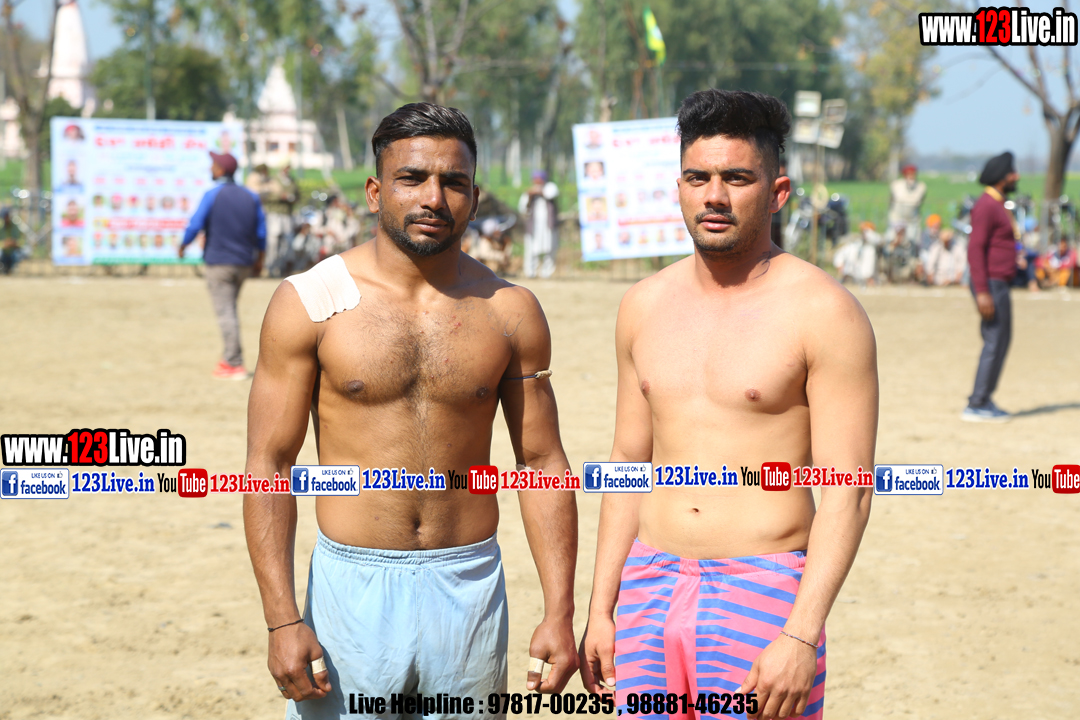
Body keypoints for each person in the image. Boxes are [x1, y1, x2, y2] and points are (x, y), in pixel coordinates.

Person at [243, 102, 579, 720]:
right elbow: (268, 465)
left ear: (473, 197)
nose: (433, 197)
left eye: (454, 182)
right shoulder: (310, 301)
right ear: (376, 191)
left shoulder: (510, 310)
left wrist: (560, 609)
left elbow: (541, 463)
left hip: (468, 584)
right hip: (352, 587)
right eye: (412, 178)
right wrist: (282, 618)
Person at [578, 89, 877, 720]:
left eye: (737, 178)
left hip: (763, 590)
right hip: (648, 585)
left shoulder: (824, 312)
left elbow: (848, 490)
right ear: (679, 187)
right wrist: (601, 607)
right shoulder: (643, 305)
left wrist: (802, 635)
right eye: (698, 177)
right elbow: (627, 462)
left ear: (778, 192)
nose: (714, 195)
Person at [179, 151, 267, 380]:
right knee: (230, 309)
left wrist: (183, 245)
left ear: (220, 169)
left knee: (225, 311)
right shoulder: (250, 197)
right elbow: (261, 233)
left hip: (219, 263)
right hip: (244, 263)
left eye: (213, 164)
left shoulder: (212, 195)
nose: (211, 168)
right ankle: (228, 357)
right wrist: (260, 260)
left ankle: (233, 362)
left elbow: (195, 224)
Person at [963, 151, 1019, 422]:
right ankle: (978, 402)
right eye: (1012, 172)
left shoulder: (998, 203)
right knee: (995, 340)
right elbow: (975, 248)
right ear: (1001, 177)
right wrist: (983, 291)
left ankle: (983, 399)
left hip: (998, 282)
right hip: (991, 283)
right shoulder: (986, 205)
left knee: (1000, 339)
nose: (1016, 176)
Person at [518, 170, 559, 278]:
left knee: (550, 249)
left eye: (539, 179)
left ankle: (547, 273)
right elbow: (522, 208)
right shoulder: (529, 193)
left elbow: (551, 194)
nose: (537, 182)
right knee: (531, 249)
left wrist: (538, 191)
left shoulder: (550, 187)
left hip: (548, 226)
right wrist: (530, 195)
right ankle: (530, 272)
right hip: (533, 226)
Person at [888, 163, 927, 247]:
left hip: (912, 219)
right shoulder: (896, 185)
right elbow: (891, 201)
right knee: (892, 239)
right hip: (897, 217)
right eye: (908, 174)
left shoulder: (921, 187)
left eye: (912, 174)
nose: (911, 177)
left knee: (912, 241)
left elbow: (920, 201)